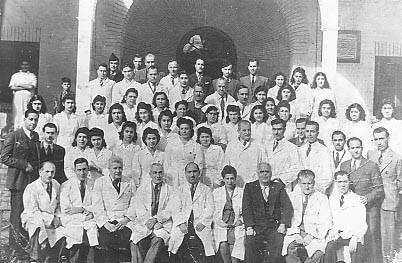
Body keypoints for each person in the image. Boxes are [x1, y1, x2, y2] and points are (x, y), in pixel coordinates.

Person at [0, 108, 40, 260]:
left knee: (28, 214)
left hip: (32, 182)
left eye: (36, 120)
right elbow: (4, 157)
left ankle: (26, 247)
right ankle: (14, 249)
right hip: (18, 182)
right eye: (31, 119)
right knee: (16, 216)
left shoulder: (35, 136)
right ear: (25, 119)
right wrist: (24, 165)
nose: (33, 122)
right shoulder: (14, 135)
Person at [339, 137, 385, 263]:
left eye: (358, 147)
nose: (356, 150)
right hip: (351, 208)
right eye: (352, 148)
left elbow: (379, 189)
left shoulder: (371, 165)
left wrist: (367, 198)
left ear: (362, 148)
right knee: (351, 236)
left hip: (369, 208)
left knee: (371, 234)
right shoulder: (344, 165)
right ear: (348, 149)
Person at [242, 162, 293, 263]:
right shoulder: (250, 187)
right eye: (262, 172)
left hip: (273, 227)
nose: (264, 174)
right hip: (256, 226)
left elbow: (287, 207)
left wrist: (283, 224)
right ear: (257, 173)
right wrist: (249, 227)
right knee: (250, 243)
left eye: (267, 172)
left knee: (278, 243)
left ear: (271, 173)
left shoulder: (278, 187)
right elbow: (246, 209)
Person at [92, 156, 136, 263]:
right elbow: (97, 206)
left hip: (124, 221)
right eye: (115, 168)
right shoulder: (100, 182)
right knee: (106, 242)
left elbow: (135, 204)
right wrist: (105, 223)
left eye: (120, 168)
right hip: (108, 221)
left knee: (126, 240)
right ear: (108, 168)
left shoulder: (129, 182)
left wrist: (126, 219)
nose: (118, 171)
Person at [168, 162, 215, 262]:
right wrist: (180, 223)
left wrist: (203, 222)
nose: (192, 175)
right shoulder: (179, 190)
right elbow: (176, 209)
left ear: (199, 173)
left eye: (194, 171)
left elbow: (210, 208)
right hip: (184, 225)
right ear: (185, 174)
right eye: (189, 172)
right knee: (175, 244)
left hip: (200, 225)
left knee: (207, 245)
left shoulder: (206, 190)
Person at [368, 127, 402, 262]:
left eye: (381, 138)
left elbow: (400, 181)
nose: (379, 142)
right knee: (372, 234)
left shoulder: (397, 158)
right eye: (376, 139)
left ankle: (388, 260)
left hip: (388, 200)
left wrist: (391, 191)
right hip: (373, 200)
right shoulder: (371, 155)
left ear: (388, 138)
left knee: (388, 235)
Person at [282, 169, 332, 263]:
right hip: (296, 233)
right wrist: (295, 234)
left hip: (314, 234)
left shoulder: (322, 198)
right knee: (290, 250)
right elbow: (289, 219)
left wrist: (311, 236)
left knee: (317, 253)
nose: (307, 187)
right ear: (299, 183)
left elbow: (325, 221)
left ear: (314, 183)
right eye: (304, 184)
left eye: (309, 183)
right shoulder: (292, 197)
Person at [128, 163, 173, 263]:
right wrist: (148, 221)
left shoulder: (170, 189)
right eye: (155, 173)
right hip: (144, 223)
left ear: (163, 173)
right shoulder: (142, 189)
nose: (158, 175)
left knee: (158, 240)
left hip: (161, 224)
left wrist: (157, 219)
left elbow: (170, 208)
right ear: (150, 174)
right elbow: (139, 208)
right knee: (135, 242)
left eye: (160, 172)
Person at [21, 161, 65, 262]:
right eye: (47, 171)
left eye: (52, 172)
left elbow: (59, 204)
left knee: (64, 228)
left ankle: (53, 257)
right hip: (34, 217)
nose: (50, 175)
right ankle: (35, 258)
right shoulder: (32, 187)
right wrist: (51, 219)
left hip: (53, 217)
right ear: (40, 172)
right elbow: (32, 211)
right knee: (37, 225)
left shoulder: (56, 184)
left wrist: (57, 216)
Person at [60, 158, 99, 263]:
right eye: (79, 170)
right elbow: (66, 209)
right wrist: (83, 211)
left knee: (92, 233)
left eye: (85, 169)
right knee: (75, 233)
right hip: (72, 219)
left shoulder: (94, 184)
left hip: (89, 218)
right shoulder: (66, 185)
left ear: (88, 170)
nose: (82, 173)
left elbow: (96, 204)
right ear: (75, 170)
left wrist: (81, 209)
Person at [323, 171, 367, 263]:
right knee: (329, 247)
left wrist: (355, 237)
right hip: (337, 234)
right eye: (339, 182)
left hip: (353, 235)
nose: (342, 185)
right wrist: (331, 231)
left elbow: (362, 223)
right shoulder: (332, 199)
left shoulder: (357, 199)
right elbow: (329, 219)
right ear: (335, 183)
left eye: (345, 181)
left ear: (349, 182)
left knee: (357, 249)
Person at [213, 165, 245, 263]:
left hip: (236, 224)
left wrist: (241, 220)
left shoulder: (241, 192)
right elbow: (213, 211)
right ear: (223, 179)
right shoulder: (216, 192)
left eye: (232, 178)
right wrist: (219, 221)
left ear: (235, 179)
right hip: (222, 224)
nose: (230, 181)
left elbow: (246, 210)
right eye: (227, 178)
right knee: (223, 246)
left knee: (234, 251)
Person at [262, 119, 302, 188]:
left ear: (284, 130)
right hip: (267, 184)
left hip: (283, 185)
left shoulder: (292, 147)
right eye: (274, 129)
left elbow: (296, 168)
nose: (276, 132)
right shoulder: (266, 146)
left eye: (279, 129)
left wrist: (280, 179)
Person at [165, 117, 203, 187]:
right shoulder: (171, 144)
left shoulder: (196, 146)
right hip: (173, 177)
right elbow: (166, 163)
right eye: (182, 129)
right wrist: (168, 176)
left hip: (189, 178)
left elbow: (199, 164)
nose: (184, 131)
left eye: (186, 128)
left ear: (191, 130)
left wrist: (193, 177)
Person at [224, 120, 263, 186]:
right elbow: (227, 165)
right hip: (237, 183)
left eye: (249, 130)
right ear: (238, 131)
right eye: (244, 130)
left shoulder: (258, 145)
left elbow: (262, 164)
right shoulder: (231, 145)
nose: (247, 133)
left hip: (253, 182)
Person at [298, 121, 334, 193]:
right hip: (301, 190)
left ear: (317, 133)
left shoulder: (324, 151)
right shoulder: (300, 149)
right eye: (307, 131)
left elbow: (328, 176)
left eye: (312, 131)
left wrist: (313, 189)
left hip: (317, 190)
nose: (310, 134)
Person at [9, 60, 37, 130]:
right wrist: (26, 86)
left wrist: (19, 84)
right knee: (17, 114)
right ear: (20, 65)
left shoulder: (32, 76)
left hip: (28, 98)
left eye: (26, 64)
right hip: (17, 98)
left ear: (29, 66)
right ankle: (17, 130)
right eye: (23, 64)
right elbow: (12, 87)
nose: (25, 66)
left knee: (27, 113)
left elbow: (31, 87)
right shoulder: (15, 75)